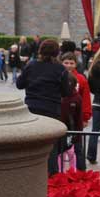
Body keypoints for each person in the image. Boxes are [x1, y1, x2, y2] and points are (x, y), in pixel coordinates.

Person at [16, 39, 73, 176]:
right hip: (51, 110)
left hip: (32, 110)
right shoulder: (60, 69)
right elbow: (66, 92)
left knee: (32, 142)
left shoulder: (31, 65)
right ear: (57, 53)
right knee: (51, 145)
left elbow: (19, 84)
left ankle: (29, 173)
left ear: (40, 51)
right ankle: (51, 175)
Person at [60, 52, 91, 171]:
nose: (68, 65)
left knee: (77, 145)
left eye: (71, 63)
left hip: (75, 117)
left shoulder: (81, 79)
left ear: (75, 64)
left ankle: (80, 171)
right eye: (66, 63)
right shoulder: (57, 77)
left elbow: (86, 99)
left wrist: (85, 117)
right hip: (61, 117)